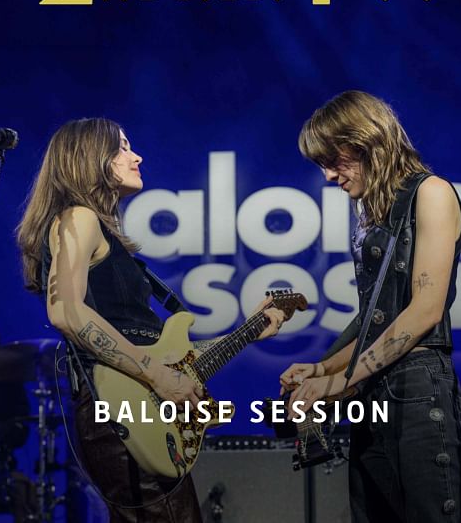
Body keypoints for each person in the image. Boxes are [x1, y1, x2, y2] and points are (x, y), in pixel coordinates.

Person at [17, 118, 285, 523]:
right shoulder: (78, 217)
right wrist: (156, 375)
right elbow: (66, 311)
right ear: (90, 158)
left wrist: (248, 331)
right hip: (119, 409)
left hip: (136, 410)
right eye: (122, 147)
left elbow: (173, 357)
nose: (137, 156)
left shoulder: (99, 233)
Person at [280, 91, 461, 523]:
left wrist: (338, 382)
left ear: (365, 141)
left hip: (419, 393)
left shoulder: (432, 193)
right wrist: (322, 369)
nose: (329, 176)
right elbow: (378, 320)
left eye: (334, 160)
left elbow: (424, 311)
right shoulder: (372, 213)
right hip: (374, 396)